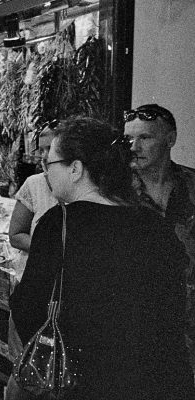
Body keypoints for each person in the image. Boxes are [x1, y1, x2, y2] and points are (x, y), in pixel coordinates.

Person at [9, 117, 195, 400]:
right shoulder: (154, 225)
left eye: (50, 163)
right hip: (149, 379)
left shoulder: (58, 223)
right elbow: (172, 309)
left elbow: (29, 308)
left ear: (76, 169)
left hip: (81, 379)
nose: (46, 172)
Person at [123, 103, 195, 371]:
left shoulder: (191, 185)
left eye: (145, 137)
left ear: (170, 139)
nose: (133, 147)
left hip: (187, 327)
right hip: (135, 326)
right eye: (128, 139)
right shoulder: (115, 192)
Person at [8, 121, 60, 281]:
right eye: (41, 149)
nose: (44, 156)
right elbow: (16, 235)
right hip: (35, 276)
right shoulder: (34, 184)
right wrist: (49, 250)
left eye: (50, 148)